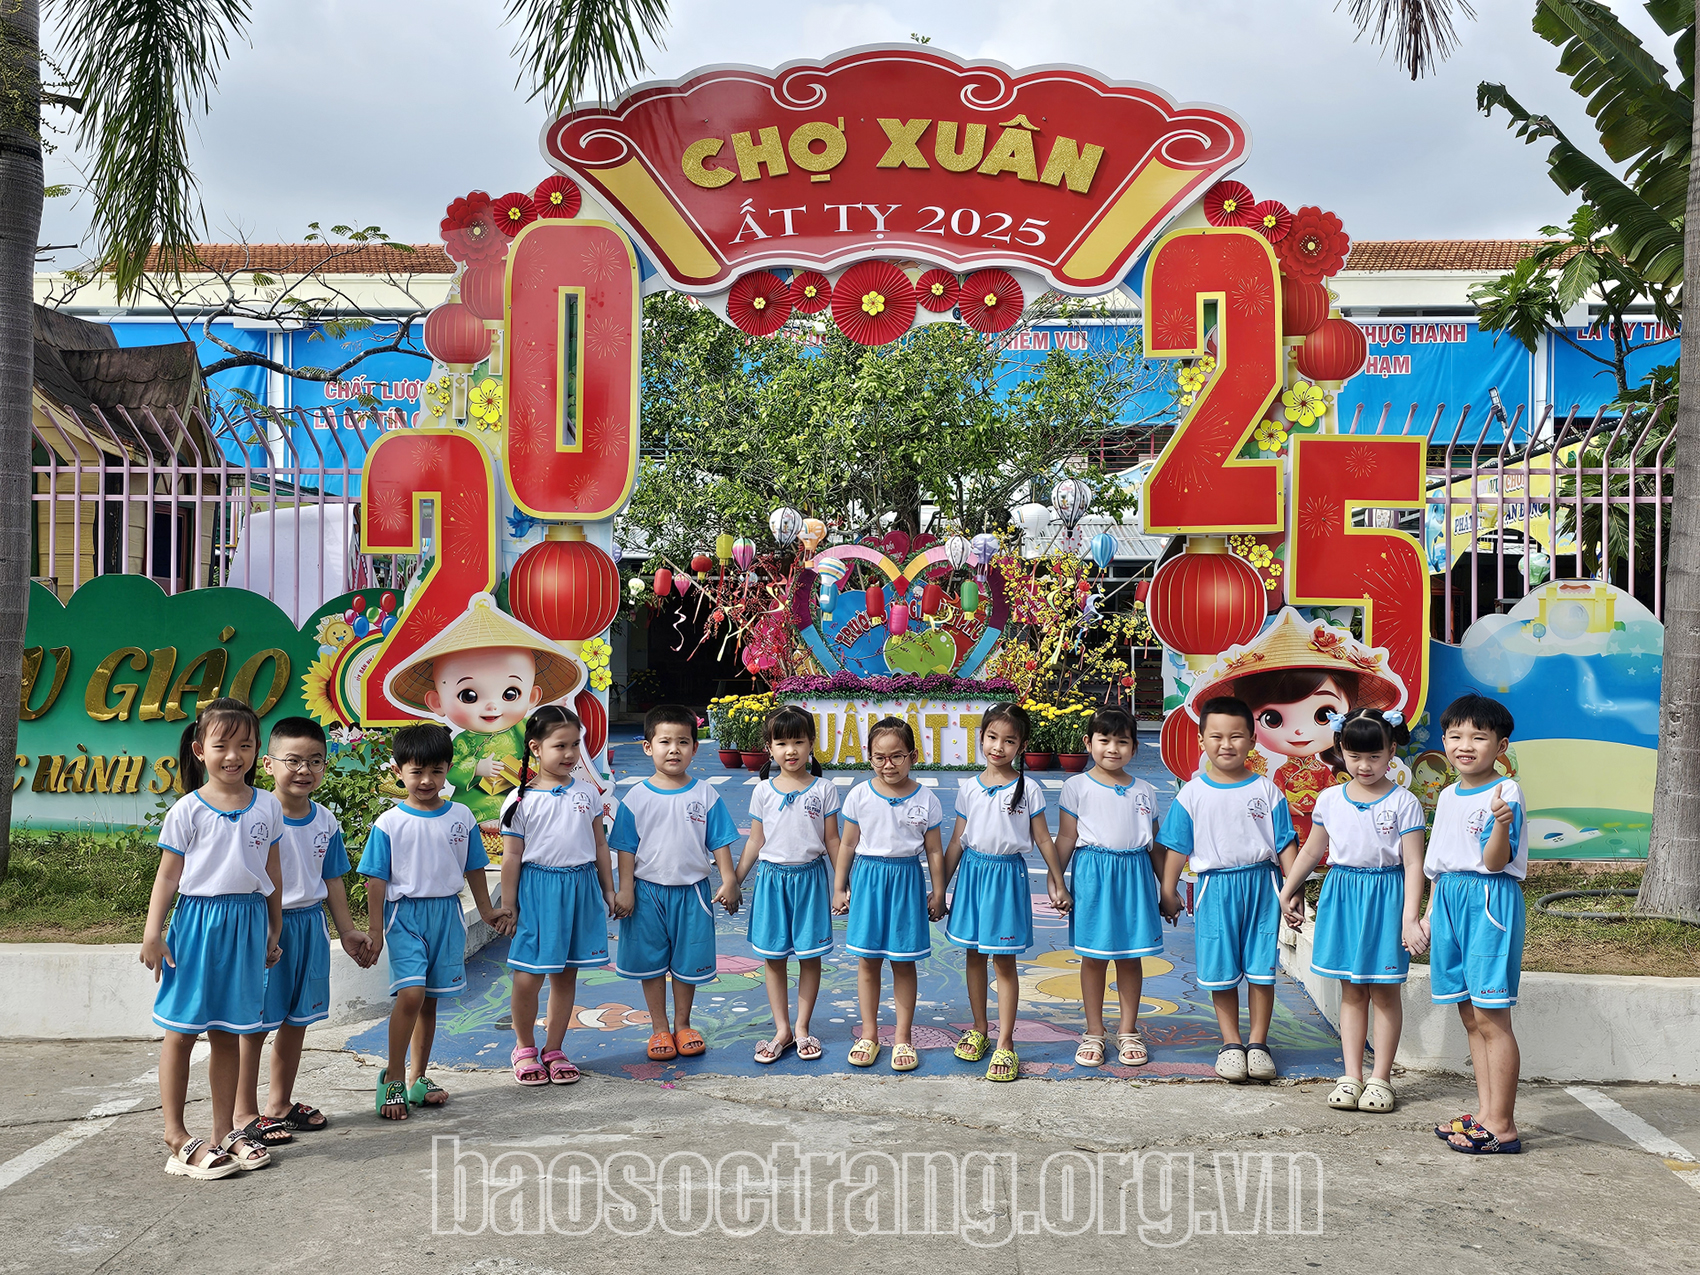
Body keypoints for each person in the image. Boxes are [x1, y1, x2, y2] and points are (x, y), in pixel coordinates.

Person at [141, 697, 285, 1179]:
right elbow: (167, 876)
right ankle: (176, 1135)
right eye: (222, 745)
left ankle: (225, 1132)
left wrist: (274, 927)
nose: (233, 756)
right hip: (197, 924)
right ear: (200, 749)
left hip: (248, 925)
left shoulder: (267, 805)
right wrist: (153, 932)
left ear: (257, 750)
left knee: (228, 1033)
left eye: (245, 745)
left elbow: (272, 872)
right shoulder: (187, 809)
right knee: (181, 1031)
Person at [232, 717, 375, 1149]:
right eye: (292, 760)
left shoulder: (325, 820)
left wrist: (346, 930)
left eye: (315, 761)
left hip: (310, 926)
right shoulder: (256, 814)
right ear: (268, 764)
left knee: (297, 1019)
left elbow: (333, 879)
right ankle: (243, 1112)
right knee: (255, 1024)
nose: (304, 770)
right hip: (266, 927)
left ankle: (279, 1104)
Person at [1278, 708, 1428, 1113]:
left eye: (1375, 756)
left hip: (1387, 898)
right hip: (1343, 895)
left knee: (1384, 991)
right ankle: (1351, 1075)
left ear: (1392, 751)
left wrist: (1410, 918)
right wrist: (1288, 890)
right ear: (1340, 750)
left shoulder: (1404, 802)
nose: (1364, 765)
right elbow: (1312, 850)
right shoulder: (1329, 799)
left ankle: (1381, 1079)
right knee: (1351, 990)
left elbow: (1415, 864)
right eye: (1355, 756)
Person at [360, 723, 509, 1120]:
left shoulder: (461, 816)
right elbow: (376, 880)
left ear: (448, 770)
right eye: (417, 771)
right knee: (411, 995)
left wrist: (487, 911)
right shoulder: (389, 823)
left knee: (429, 1001)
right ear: (398, 771)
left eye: (436, 771)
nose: (426, 780)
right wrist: (375, 930)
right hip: (405, 916)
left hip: (447, 913)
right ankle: (393, 1077)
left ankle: (418, 1079)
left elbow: (474, 866)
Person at [1158, 696, 1299, 1083]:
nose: (1226, 744)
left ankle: (1258, 1044)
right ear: (1201, 740)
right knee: (1220, 969)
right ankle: (1231, 1043)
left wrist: (1291, 890)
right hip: (1215, 888)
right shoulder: (1192, 794)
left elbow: (1285, 843)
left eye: (1236, 736)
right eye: (1216, 736)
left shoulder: (1268, 791)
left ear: (1252, 740)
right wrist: (1168, 890)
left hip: (1262, 886)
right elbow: (1176, 847)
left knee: (1261, 969)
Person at [383, 592, 585, 849]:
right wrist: (477, 767)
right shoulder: (462, 742)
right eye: (469, 696)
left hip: (521, 803)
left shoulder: (522, 729)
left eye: (510, 693)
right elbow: (449, 769)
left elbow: (542, 744)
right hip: (474, 806)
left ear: (532, 697)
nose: (492, 706)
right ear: (437, 702)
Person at [499, 705, 625, 1086]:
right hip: (538, 893)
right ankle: (524, 1048)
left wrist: (608, 889)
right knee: (528, 976)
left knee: (566, 975)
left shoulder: (587, 793)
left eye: (575, 745)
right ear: (535, 748)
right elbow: (512, 857)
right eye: (560, 746)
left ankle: (554, 1049)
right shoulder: (519, 800)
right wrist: (509, 904)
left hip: (580, 889)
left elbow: (599, 845)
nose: (570, 754)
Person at [943, 704, 1069, 1081]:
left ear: (1022, 746)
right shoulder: (969, 788)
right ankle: (979, 1028)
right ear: (981, 738)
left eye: (1009, 741)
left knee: (1003, 961)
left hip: (1006, 877)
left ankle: (1006, 1042)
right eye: (992, 737)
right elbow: (957, 841)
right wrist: (939, 888)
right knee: (973, 954)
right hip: (972, 876)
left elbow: (1043, 839)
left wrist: (1058, 880)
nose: (998, 747)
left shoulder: (1028, 789)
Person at [1425, 693, 1527, 1155]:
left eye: (1478, 737)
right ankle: (1485, 1113)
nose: (1465, 745)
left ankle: (1502, 1126)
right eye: (1455, 735)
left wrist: (1501, 823)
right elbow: (1439, 864)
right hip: (1450, 898)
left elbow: (1495, 861)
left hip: (1487, 901)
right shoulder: (1448, 794)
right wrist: (1428, 916)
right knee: (1470, 1014)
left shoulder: (1505, 792)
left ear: (1500, 746)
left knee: (1491, 1015)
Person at [610, 704, 741, 1061]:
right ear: (648, 747)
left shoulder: (706, 794)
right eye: (665, 741)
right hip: (646, 894)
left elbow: (720, 842)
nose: (674, 749)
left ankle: (683, 1024)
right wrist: (625, 889)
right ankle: (659, 1027)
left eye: (683, 742)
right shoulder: (636, 797)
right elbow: (625, 847)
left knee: (687, 962)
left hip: (692, 893)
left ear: (695, 748)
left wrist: (729, 880)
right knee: (651, 963)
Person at [728, 705, 841, 1065]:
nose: (790, 750)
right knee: (773, 958)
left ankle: (802, 1027)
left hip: (811, 881)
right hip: (771, 882)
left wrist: (842, 885)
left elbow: (833, 841)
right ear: (769, 748)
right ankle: (782, 1030)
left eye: (798, 741)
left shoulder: (824, 789)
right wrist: (734, 880)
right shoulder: (763, 791)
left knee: (810, 957)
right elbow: (755, 841)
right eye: (781, 743)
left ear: (811, 744)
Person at [834, 718, 946, 1073]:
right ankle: (869, 1034)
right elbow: (847, 844)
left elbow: (934, 851)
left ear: (913, 756)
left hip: (906, 882)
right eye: (879, 757)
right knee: (868, 961)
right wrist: (839, 887)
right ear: (869, 757)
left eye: (897, 756)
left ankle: (902, 1037)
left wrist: (939, 892)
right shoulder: (859, 795)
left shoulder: (926, 799)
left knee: (903, 961)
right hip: (868, 880)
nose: (888, 765)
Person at [1055, 706, 1162, 1069]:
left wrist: (1168, 888)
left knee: (1131, 956)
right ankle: (1094, 1032)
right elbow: (1066, 837)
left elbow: (1156, 845)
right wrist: (1057, 881)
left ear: (1135, 747)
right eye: (1104, 740)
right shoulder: (1076, 786)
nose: (1112, 748)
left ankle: (1128, 1030)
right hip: (1093, 877)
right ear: (1089, 743)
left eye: (1122, 741)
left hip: (1135, 876)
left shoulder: (1145, 790)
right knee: (1094, 957)